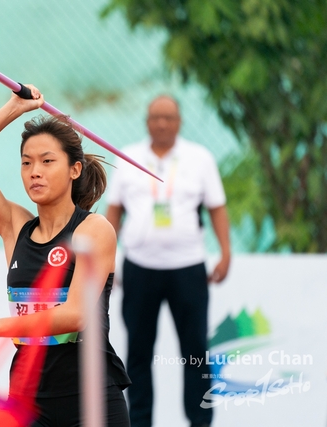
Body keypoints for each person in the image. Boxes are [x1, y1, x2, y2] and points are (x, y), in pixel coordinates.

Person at [0, 85, 131, 427]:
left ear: (74, 169)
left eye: (47, 161)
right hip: (28, 403)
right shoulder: (14, 227)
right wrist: (13, 109)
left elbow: (74, 316)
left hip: (90, 402)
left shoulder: (93, 230)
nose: (34, 172)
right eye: (26, 162)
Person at [105, 95, 231, 427]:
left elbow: (217, 207)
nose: (162, 123)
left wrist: (226, 252)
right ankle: (140, 422)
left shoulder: (199, 158)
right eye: (155, 117)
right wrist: (110, 258)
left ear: (179, 121)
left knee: (195, 352)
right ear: (146, 121)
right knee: (138, 354)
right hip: (139, 268)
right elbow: (114, 211)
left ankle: (200, 421)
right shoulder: (128, 157)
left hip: (188, 268)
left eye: (168, 117)